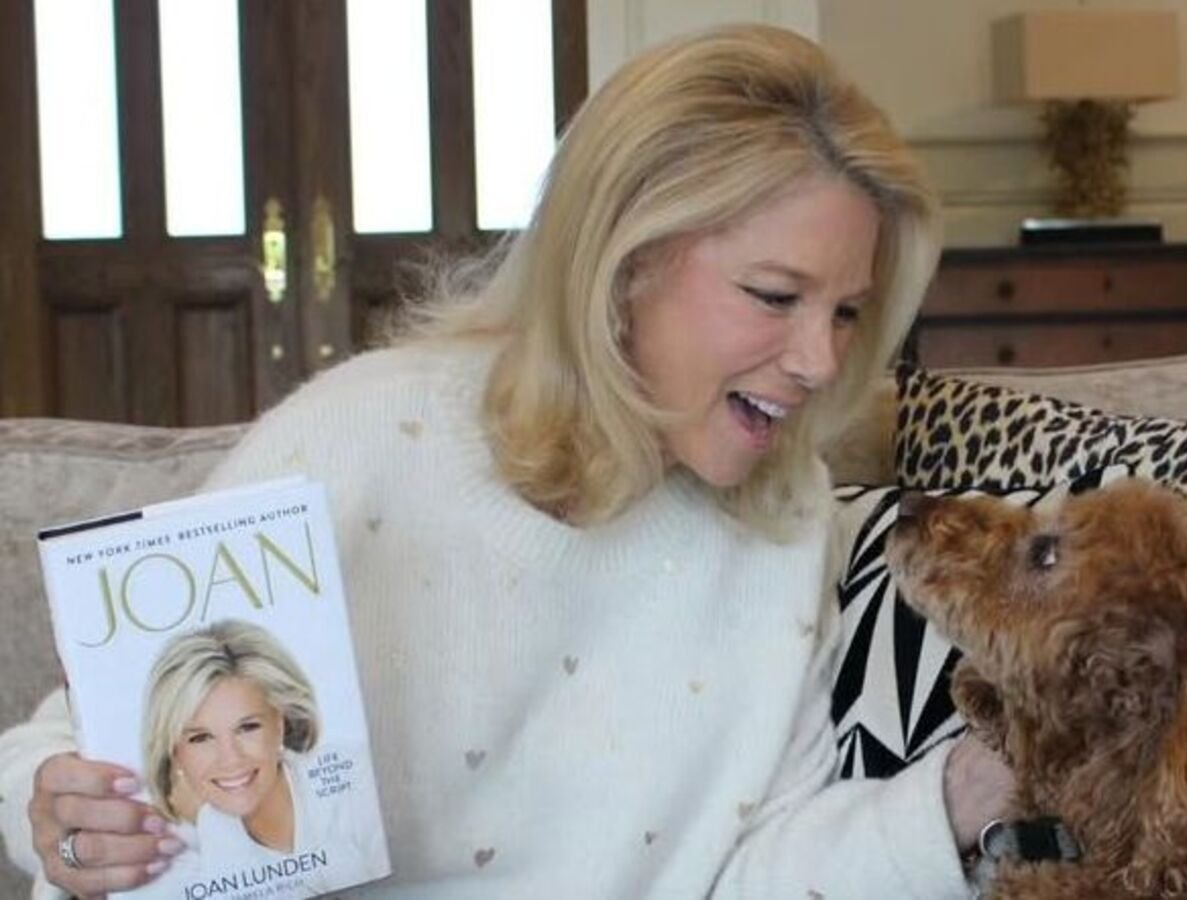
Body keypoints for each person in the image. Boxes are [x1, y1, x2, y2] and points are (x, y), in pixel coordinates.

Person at [0, 23, 1013, 898]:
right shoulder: (368, 434)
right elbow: (82, 734)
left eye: (846, 312)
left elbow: (756, 868)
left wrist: (966, 794)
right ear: (623, 264)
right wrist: (65, 816)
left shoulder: (782, 516)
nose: (820, 362)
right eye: (774, 296)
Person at [138, 620, 388, 896]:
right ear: (174, 752)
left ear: (281, 722)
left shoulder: (355, 775)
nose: (230, 759)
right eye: (201, 738)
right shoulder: (188, 848)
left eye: (247, 727)